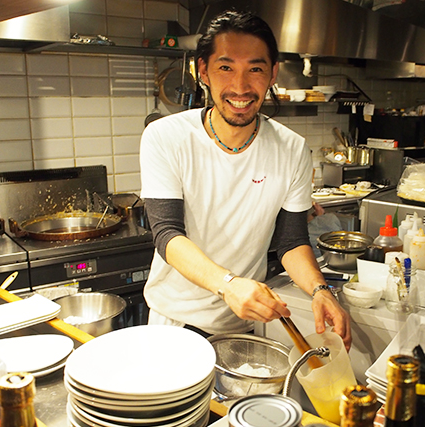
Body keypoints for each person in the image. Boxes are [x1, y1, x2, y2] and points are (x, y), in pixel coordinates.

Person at [139, 10, 351, 349]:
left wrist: (320, 290)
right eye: (226, 68)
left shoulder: (292, 149)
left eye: (255, 69)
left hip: (245, 323)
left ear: (272, 74)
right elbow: (166, 233)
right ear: (203, 71)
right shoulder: (165, 136)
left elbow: (291, 240)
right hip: (175, 323)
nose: (240, 86)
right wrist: (228, 284)